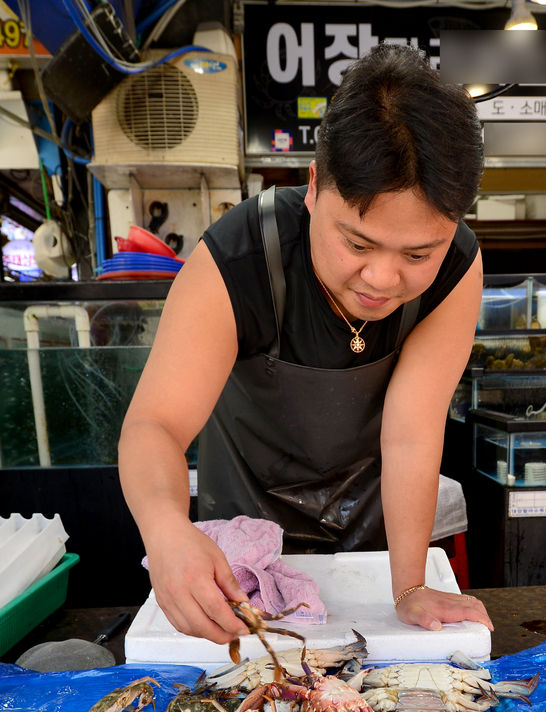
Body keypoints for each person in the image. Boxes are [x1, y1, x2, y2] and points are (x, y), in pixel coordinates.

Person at [119, 43, 493, 644]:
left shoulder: (457, 267)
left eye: (418, 254)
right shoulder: (240, 257)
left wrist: (409, 587)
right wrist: (166, 532)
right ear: (315, 187)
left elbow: (412, 431)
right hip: (239, 544)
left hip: (370, 536)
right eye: (358, 243)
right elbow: (154, 426)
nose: (383, 279)